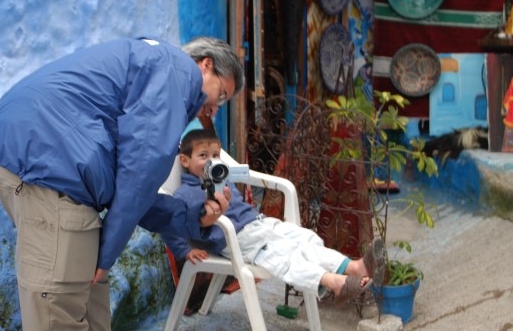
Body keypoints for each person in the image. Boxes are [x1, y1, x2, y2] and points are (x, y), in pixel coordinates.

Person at [0, 36, 244, 331]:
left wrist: (195, 217)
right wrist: (106, 256)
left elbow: (132, 189)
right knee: (58, 330)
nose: (214, 110)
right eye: (221, 95)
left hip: (40, 157)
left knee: (90, 315)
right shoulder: (176, 73)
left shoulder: (150, 65)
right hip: (48, 166)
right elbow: (140, 174)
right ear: (205, 64)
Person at [163, 129, 387, 305]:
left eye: (215, 156)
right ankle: (334, 282)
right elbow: (169, 221)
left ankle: (353, 267)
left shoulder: (221, 176)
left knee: (304, 238)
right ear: (185, 160)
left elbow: (245, 174)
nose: (211, 162)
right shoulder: (188, 192)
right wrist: (184, 249)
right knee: (284, 256)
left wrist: (229, 176)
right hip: (238, 239)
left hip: (259, 223)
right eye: (203, 156)